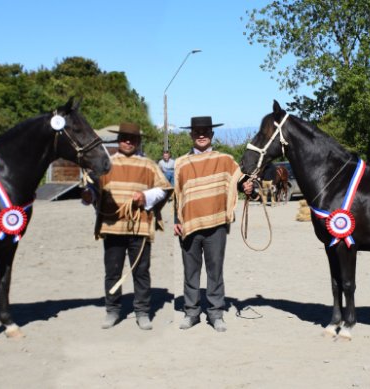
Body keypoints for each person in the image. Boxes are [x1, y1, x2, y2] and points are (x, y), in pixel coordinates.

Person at [81, 122, 172, 330]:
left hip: (139, 227)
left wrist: (145, 196)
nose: (128, 142)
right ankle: (112, 310)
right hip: (112, 227)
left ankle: (142, 311)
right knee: (112, 271)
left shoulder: (149, 165)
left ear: (138, 141)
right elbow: (94, 191)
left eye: (132, 138)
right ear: (118, 139)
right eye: (124, 138)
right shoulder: (106, 164)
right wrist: (88, 195)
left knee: (141, 271)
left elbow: (164, 189)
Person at [173, 116, 253, 332]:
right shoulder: (181, 163)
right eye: (197, 131)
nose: (201, 135)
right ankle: (191, 312)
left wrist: (248, 188)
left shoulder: (225, 160)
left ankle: (216, 314)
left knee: (214, 271)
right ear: (191, 134)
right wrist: (175, 221)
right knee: (191, 271)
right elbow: (178, 195)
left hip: (216, 225)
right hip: (188, 225)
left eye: (206, 131)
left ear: (212, 135)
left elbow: (240, 180)